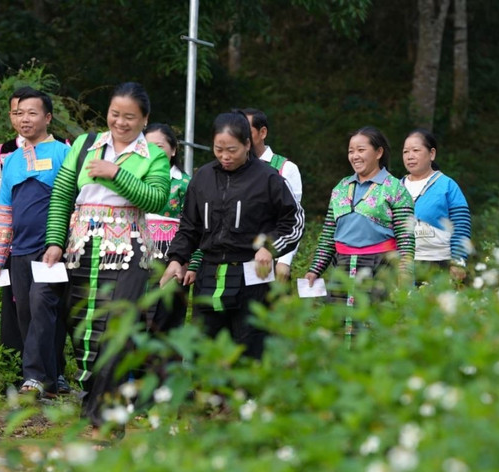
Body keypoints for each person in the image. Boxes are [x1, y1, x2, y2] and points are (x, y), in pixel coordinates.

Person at [42, 82, 170, 427]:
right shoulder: (85, 145)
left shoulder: (154, 155)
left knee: (117, 330)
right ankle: (92, 399)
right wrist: (55, 241)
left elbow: (156, 199)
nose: (121, 122)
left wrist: (116, 173)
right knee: (82, 326)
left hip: (129, 250)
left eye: (130, 117)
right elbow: (62, 194)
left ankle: (103, 418)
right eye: (115, 114)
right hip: (81, 246)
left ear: (145, 119)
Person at [162, 111, 305, 360]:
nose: (225, 156)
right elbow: (189, 226)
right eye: (219, 149)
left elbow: (294, 222)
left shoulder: (268, 178)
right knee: (204, 349)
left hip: (253, 276)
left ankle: (248, 399)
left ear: (248, 144)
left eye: (232, 150)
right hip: (210, 274)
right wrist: (177, 258)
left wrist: (268, 247)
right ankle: (205, 398)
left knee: (249, 351)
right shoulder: (203, 177)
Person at [0, 87, 73, 394]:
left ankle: (36, 377)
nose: (24, 120)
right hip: (20, 252)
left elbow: (75, 199)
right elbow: (4, 210)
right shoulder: (12, 159)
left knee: (44, 307)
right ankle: (49, 378)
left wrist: (67, 243)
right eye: (19, 113)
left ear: (48, 117)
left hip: (51, 250)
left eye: (32, 113)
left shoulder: (63, 154)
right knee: (26, 314)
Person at [304, 126, 414, 307]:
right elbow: (328, 235)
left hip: (381, 267)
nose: (355, 156)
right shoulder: (341, 187)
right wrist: (315, 269)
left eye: (361, 150)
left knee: (373, 325)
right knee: (338, 324)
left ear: (379, 152)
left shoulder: (395, 188)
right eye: (351, 151)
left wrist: (404, 272)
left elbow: (405, 237)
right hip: (342, 267)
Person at [241, 108, 303, 283]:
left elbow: (293, 220)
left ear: (263, 132)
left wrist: (284, 261)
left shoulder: (285, 168)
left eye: (247, 132)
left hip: (272, 257)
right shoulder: (231, 170)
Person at [401, 128, 471, 281]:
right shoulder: (396, 188)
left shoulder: (447, 185)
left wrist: (458, 261)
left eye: (416, 150)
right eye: (405, 152)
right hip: (405, 265)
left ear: (431, 154)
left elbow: (461, 225)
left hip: (440, 262)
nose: (410, 156)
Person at [144, 123, 191, 333]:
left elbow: (194, 227)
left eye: (159, 146)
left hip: (172, 258)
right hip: (136, 258)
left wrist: (186, 262)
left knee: (167, 318)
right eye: (147, 147)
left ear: (173, 150)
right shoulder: (133, 180)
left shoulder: (186, 184)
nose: (153, 152)